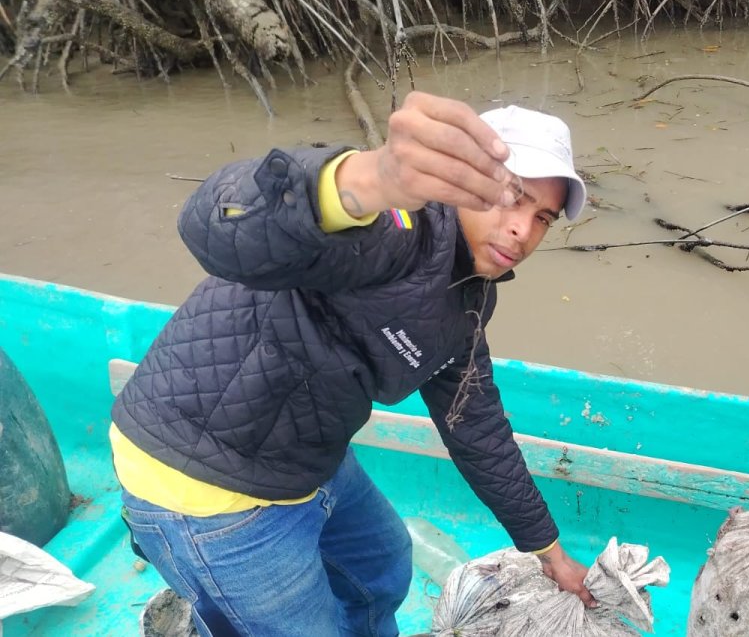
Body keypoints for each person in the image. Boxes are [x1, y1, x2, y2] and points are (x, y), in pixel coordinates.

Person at [109, 92, 596, 636]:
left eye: (542, 217)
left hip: (304, 455)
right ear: (459, 181)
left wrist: (548, 551)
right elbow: (215, 226)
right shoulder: (395, 227)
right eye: (510, 199)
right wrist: (367, 178)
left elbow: (475, 425)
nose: (523, 231)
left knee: (382, 566)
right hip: (202, 479)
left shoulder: (471, 294)